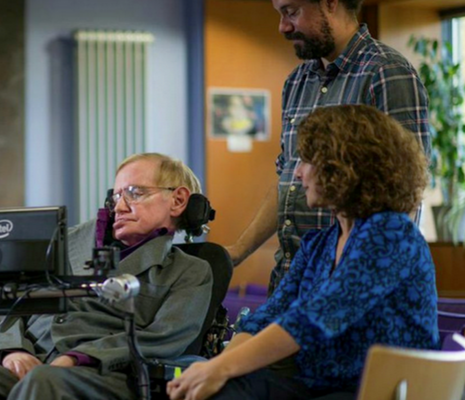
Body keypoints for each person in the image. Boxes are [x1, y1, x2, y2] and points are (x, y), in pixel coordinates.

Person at [167, 105, 439, 400]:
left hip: (379, 391)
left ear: (345, 167)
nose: (297, 173)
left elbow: (314, 319)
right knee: (218, 391)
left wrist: (219, 369)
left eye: (307, 161)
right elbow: (268, 316)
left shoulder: (390, 233)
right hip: (319, 387)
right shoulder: (318, 245)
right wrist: (215, 370)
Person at [0, 153, 214, 400]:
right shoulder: (62, 243)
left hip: (106, 373)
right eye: (116, 196)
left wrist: (77, 358)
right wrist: (11, 351)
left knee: (44, 382)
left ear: (177, 200)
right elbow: (8, 310)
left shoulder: (189, 271)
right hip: (33, 360)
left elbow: (164, 338)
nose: (120, 207)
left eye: (135, 193)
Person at [225, 0, 431, 294]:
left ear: (331, 3)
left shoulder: (386, 72)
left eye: (291, 12)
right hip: (290, 278)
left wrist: (364, 278)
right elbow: (288, 180)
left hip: (349, 282)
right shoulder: (297, 81)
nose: (283, 26)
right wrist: (236, 252)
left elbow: (408, 187)